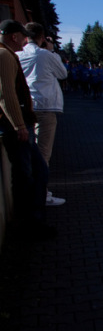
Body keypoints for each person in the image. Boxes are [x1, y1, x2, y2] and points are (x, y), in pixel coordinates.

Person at [0, 20, 54, 239]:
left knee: (32, 172)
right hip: (15, 127)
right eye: (23, 36)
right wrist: (19, 125)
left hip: (15, 125)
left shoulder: (7, 55)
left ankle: (31, 221)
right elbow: (6, 94)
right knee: (29, 174)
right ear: (14, 36)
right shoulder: (4, 55)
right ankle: (30, 223)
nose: (26, 40)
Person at [18, 22, 68, 207]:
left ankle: (31, 193)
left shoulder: (17, 55)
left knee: (26, 153)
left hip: (24, 108)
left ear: (25, 37)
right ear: (41, 37)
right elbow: (62, 73)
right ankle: (41, 195)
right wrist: (51, 50)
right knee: (43, 154)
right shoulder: (46, 55)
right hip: (45, 107)